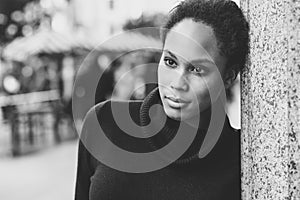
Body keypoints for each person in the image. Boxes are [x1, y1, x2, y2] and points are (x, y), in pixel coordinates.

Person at [75, 0, 249, 199]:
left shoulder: (239, 158)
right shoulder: (103, 123)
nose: (177, 83)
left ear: (228, 77)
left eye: (197, 70)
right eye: (170, 62)